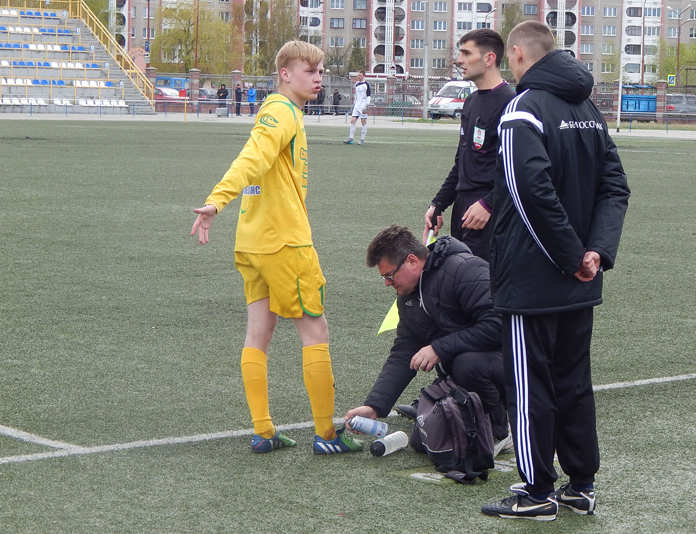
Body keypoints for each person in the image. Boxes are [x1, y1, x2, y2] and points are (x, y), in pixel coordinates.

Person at [480, 21, 630, 521]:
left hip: (534, 279)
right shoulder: (588, 109)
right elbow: (615, 186)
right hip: (580, 276)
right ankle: (581, 485)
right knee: (573, 381)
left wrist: (573, 257)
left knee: (530, 386)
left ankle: (536, 491)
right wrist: (596, 252)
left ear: (518, 54)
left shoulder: (521, 109)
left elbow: (529, 194)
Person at [190, 40, 364, 456]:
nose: (318, 78)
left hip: (252, 242)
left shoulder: (283, 112)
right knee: (315, 331)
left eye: (320, 71)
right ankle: (326, 435)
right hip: (284, 241)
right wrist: (217, 200)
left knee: (258, 333)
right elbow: (251, 158)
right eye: (310, 71)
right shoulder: (281, 111)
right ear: (284, 74)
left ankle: (264, 431)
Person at [344, 225, 512, 457]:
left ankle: (500, 431)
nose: (387, 283)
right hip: (470, 371)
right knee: (422, 441)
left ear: (412, 261)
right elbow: (404, 352)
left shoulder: (465, 269)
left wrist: (439, 348)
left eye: (389, 276)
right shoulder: (408, 297)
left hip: (517, 366)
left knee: (466, 364)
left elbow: (500, 325)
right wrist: (374, 405)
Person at [423, 29, 516, 263]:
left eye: (466, 53)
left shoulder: (511, 104)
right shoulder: (471, 101)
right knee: (461, 277)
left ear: (489, 58)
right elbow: (462, 163)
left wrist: (488, 204)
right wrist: (439, 203)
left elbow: (517, 170)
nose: (459, 60)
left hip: (489, 211)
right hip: (463, 208)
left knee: (484, 281)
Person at [344, 70, 370, 145]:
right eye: (358, 75)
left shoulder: (366, 84)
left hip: (363, 106)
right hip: (357, 106)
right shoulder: (357, 84)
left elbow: (368, 95)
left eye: (360, 75)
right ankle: (351, 139)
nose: (358, 76)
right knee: (352, 121)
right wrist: (354, 104)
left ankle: (362, 139)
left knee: (363, 122)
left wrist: (367, 105)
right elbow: (356, 95)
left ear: (363, 76)